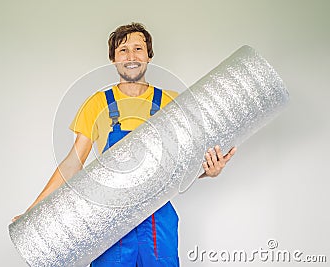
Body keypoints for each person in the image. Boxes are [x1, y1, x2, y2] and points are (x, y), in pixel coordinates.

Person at [13, 22, 236, 266]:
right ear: (113, 59)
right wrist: (33, 210)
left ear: (149, 56)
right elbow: (71, 165)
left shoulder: (173, 102)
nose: (131, 56)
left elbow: (180, 170)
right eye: (123, 50)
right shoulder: (97, 104)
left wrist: (207, 171)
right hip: (109, 227)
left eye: (138, 48)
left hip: (157, 223)